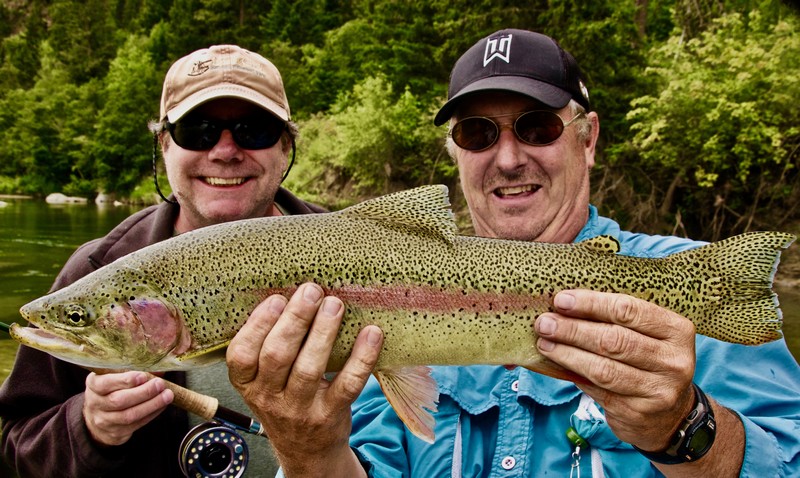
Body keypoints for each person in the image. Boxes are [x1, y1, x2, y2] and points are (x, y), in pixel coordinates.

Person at [225, 29, 800, 477]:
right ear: (454, 151)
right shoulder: (382, 305)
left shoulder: (686, 285)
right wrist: (306, 452)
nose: (506, 159)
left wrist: (688, 428)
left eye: (536, 127)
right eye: (477, 133)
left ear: (588, 137)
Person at [0, 44, 325, 477]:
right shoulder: (98, 270)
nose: (225, 151)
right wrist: (89, 426)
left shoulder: (355, 247)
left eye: (255, 130)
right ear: (164, 145)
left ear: (286, 146)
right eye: (198, 130)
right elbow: (17, 443)